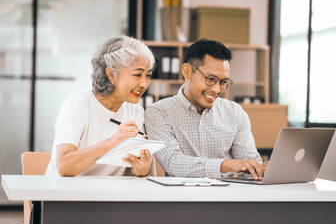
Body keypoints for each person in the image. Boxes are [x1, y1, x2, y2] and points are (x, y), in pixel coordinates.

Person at [144, 39, 267, 179]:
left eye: (223, 82)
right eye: (210, 79)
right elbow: (173, 163)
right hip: (183, 198)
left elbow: (249, 161)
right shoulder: (159, 112)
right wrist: (227, 165)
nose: (216, 89)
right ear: (187, 71)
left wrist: (259, 169)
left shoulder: (235, 112)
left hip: (229, 197)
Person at [45, 36, 155, 177]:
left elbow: (134, 169)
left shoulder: (135, 112)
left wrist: (141, 168)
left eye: (148, 75)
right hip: (65, 195)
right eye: (137, 74)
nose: (144, 84)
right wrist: (112, 142)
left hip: (108, 196)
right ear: (111, 74)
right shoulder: (77, 105)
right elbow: (64, 167)